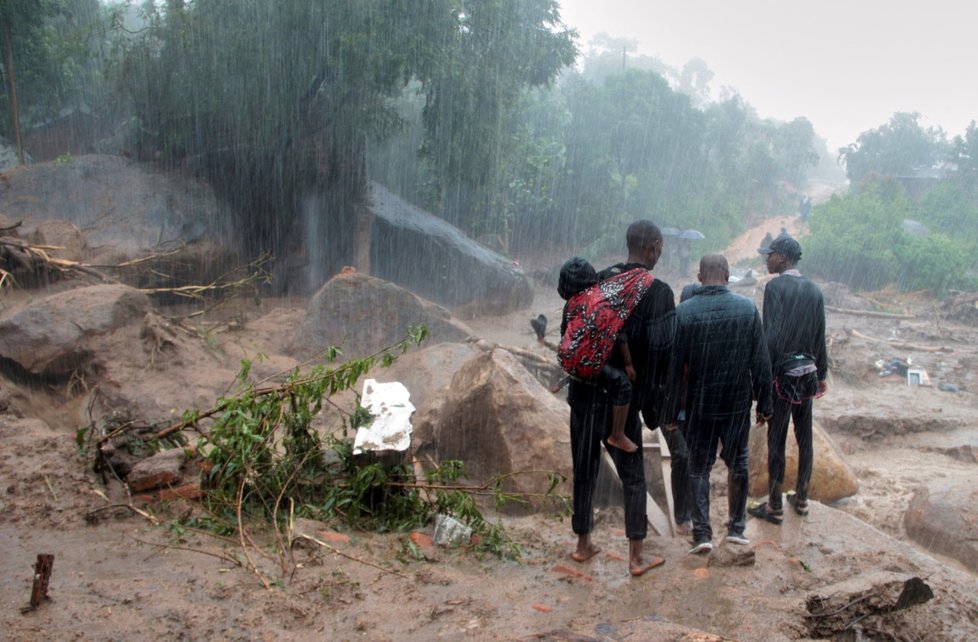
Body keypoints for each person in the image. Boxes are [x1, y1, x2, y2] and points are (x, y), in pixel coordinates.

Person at [566, 220, 676, 576]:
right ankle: (636, 556)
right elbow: (662, 354)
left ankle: (583, 545)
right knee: (633, 477)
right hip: (620, 404)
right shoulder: (657, 291)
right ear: (653, 247)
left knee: (584, 470)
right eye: (659, 249)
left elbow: (577, 327)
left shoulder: (599, 278)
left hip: (584, 390)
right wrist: (655, 407)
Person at [664, 254, 772, 554]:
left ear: (700, 277)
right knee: (738, 463)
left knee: (699, 468)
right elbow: (761, 362)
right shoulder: (747, 309)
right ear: (727, 275)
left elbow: (674, 371)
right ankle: (737, 529)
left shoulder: (684, 313)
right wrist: (765, 404)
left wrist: (671, 412)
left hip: (700, 406)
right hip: (736, 404)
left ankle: (702, 535)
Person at [749, 235, 828, 524]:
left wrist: (762, 381)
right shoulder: (814, 290)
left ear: (782, 256)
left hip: (781, 377)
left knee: (777, 439)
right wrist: (823, 374)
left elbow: (771, 337)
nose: (766, 259)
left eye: (769, 255)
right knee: (804, 437)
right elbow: (819, 336)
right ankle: (803, 498)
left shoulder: (775, 287)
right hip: (807, 374)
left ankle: (774, 504)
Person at [557, 257, 639, 453]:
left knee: (584, 461)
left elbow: (564, 333)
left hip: (571, 365)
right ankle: (617, 434)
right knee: (623, 386)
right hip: (593, 370)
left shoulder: (570, 305)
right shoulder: (602, 301)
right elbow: (619, 334)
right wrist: (628, 363)